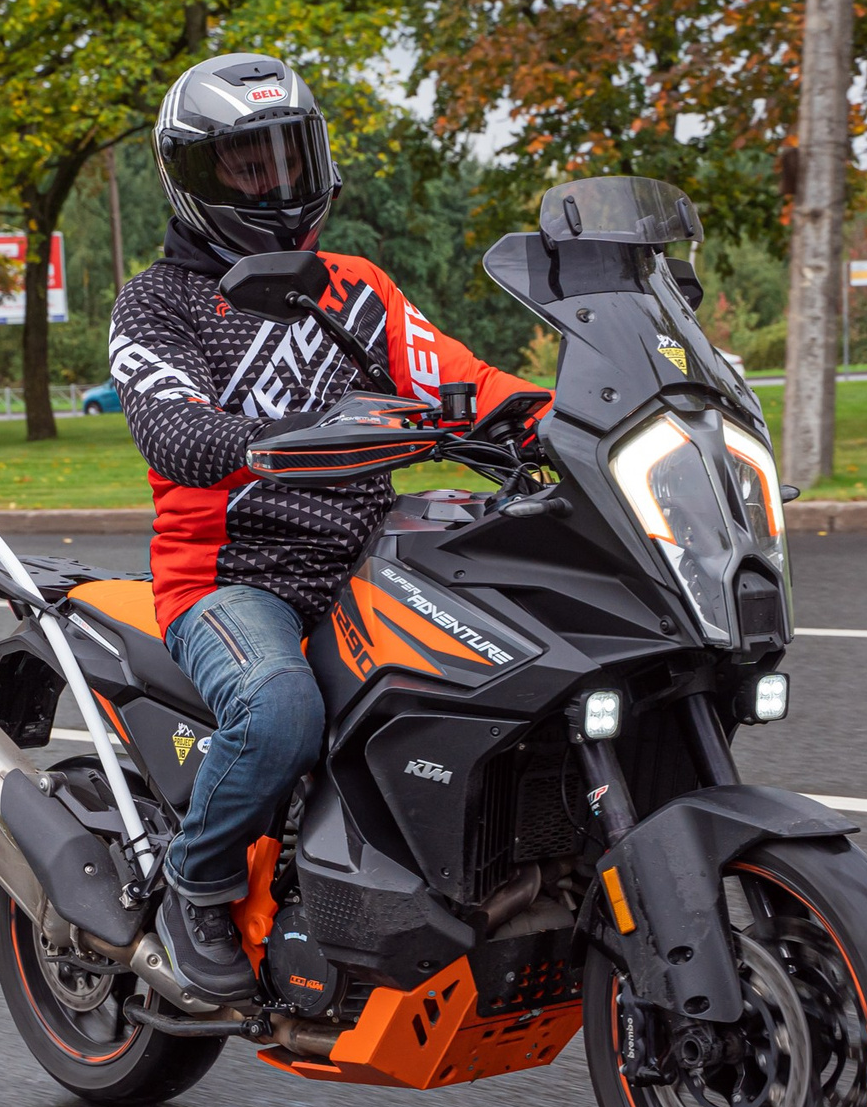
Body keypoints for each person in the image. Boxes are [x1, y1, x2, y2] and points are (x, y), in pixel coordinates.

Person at [109, 54, 546, 1004]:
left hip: (373, 559)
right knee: (279, 709)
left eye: (290, 158)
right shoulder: (158, 302)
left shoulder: (356, 288)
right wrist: (277, 438)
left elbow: (463, 381)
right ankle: (195, 886)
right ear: (193, 178)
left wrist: (572, 424)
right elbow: (173, 429)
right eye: (247, 166)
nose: (277, 184)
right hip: (233, 580)